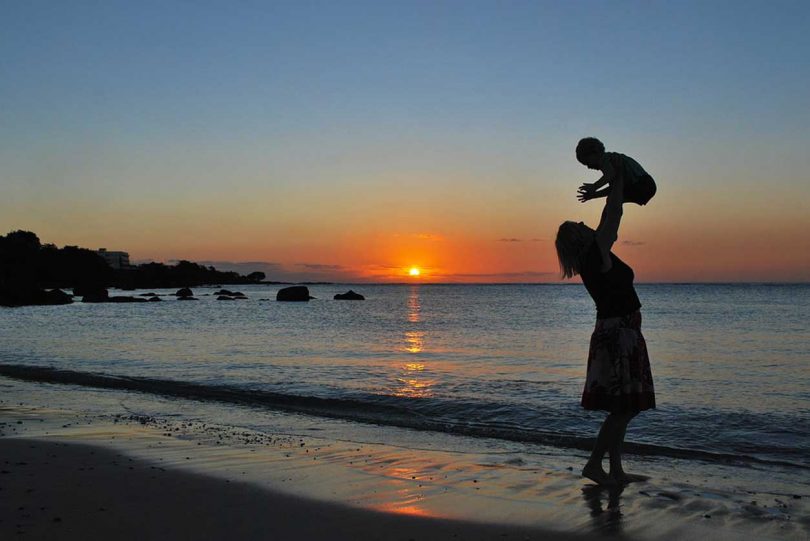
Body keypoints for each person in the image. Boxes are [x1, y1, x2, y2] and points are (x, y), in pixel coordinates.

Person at [555, 169, 656, 486]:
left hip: (619, 333)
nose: (587, 225)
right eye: (581, 226)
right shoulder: (597, 256)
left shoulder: (594, 258)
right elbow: (613, 213)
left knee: (623, 407)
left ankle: (615, 470)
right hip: (618, 336)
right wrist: (617, 184)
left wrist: (614, 186)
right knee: (623, 410)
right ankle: (595, 465)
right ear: (580, 238)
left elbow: (611, 214)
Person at [575, 137, 657, 207]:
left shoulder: (606, 160)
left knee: (613, 200)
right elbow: (613, 188)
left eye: (587, 162)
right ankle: (604, 225)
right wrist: (594, 195)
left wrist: (595, 186)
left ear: (595, 152)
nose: (589, 166)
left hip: (643, 184)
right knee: (612, 200)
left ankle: (607, 225)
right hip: (644, 185)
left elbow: (610, 175)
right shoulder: (611, 163)